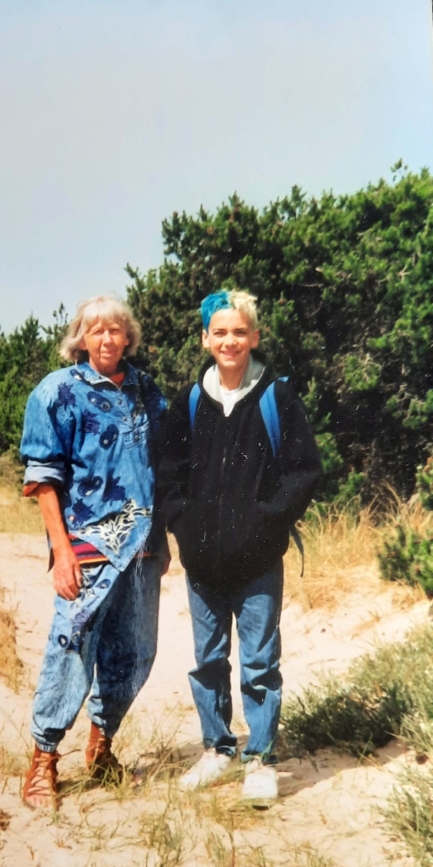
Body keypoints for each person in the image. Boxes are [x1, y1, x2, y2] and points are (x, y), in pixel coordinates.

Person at [158, 289, 321, 802]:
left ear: (255, 336)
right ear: (206, 339)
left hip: (258, 561)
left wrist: (268, 523)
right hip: (203, 562)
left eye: (239, 332)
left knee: (258, 663)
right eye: (219, 332)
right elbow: (167, 474)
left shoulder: (277, 397)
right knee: (207, 659)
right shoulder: (188, 402)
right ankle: (217, 749)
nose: (230, 341)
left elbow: (305, 472)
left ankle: (261, 759)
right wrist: (184, 524)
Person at [19, 294, 168, 809]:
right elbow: (42, 479)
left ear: (128, 337)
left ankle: (102, 747)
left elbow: (169, 460)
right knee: (71, 648)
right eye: (95, 330)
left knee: (135, 653)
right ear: (81, 338)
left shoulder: (148, 392)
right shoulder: (56, 392)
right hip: (87, 547)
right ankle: (43, 761)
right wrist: (61, 552)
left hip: (145, 549)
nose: (107, 339)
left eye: (116, 330)